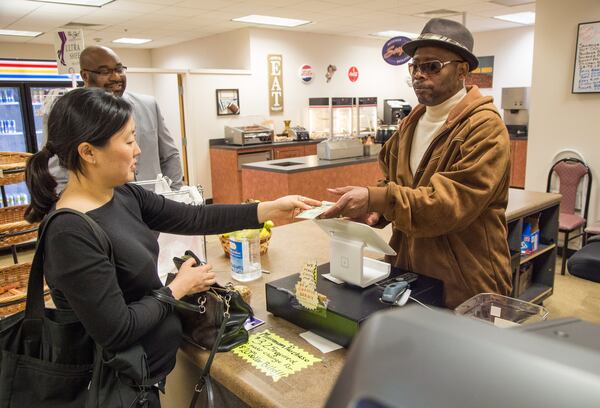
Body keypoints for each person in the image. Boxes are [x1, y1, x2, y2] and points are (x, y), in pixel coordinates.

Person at [25, 87, 320, 406]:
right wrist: (178, 287)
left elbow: (194, 217)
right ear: (88, 152)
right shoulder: (71, 232)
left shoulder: (124, 195)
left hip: (145, 380)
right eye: (128, 140)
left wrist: (267, 208)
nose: (137, 150)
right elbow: (117, 330)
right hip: (116, 390)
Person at [321, 18, 512, 308]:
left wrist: (377, 198)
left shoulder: (485, 128)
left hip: (464, 282)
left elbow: (448, 205)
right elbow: (396, 184)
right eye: (415, 66)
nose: (419, 75)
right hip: (408, 274)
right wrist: (376, 212)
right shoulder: (411, 123)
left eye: (431, 66)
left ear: (462, 70)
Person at [47, 45, 184, 191]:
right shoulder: (69, 112)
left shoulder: (148, 105)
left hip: (154, 200)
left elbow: (169, 156)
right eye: (105, 71)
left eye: (119, 69)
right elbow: (57, 169)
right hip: (102, 203)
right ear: (85, 75)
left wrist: (174, 193)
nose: (116, 77)